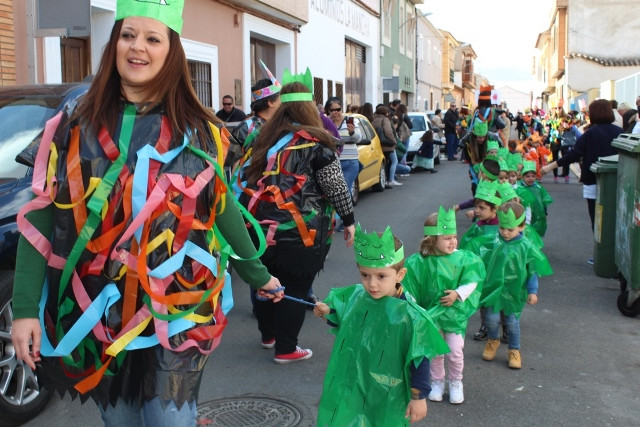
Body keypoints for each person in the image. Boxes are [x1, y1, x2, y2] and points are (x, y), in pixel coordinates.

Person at [11, 2, 284, 425]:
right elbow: (42, 217)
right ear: (114, 43)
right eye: (127, 35)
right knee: (120, 421)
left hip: (176, 311)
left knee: (168, 419)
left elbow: (221, 208)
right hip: (98, 313)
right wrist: (26, 308)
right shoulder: (74, 121)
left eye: (152, 38)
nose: (137, 48)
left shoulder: (199, 128)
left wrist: (258, 274)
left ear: (170, 50)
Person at [239, 70, 356, 364]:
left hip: (259, 230)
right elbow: (336, 187)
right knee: (295, 287)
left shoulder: (260, 141)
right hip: (302, 234)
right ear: (308, 108)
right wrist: (349, 220)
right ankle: (286, 348)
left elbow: (245, 181)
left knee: (265, 282)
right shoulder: (318, 144)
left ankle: (268, 336)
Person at [313, 225, 448, 425]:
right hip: (356, 381)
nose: (372, 284)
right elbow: (348, 321)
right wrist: (329, 314)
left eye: (381, 276)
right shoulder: (359, 296)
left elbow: (419, 358)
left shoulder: (411, 316)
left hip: (389, 388)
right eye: (365, 275)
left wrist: (418, 397)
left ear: (400, 275)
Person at [403, 207, 485, 405]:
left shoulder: (463, 258)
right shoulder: (419, 262)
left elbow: (473, 280)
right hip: (431, 316)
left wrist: (458, 293)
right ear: (432, 240)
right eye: (447, 238)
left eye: (454, 237)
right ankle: (437, 381)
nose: (453, 242)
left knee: (455, 351)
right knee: (436, 352)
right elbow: (409, 286)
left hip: (453, 315)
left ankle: (456, 382)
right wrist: (416, 308)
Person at [477, 202, 553, 369]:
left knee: (512, 322)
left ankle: (514, 350)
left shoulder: (526, 246)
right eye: (502, 227)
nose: (505, 232)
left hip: (514, 292)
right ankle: (493, 340)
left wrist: (533, 291)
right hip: (493, 291)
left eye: (510, 229)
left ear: (521, 227)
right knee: (490, 319)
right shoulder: (494, 241)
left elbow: (532, 270)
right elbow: (483, 261)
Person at [541, 99, 622, 234]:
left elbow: (573, 155)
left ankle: (599, 252)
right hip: (615, 182)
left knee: (597, 220)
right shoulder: (620, 132)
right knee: (613, 219)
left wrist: (550, 166)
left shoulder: (589, 134)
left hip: (592, 181)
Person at [227, 60, 281, 170]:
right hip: (248, 185)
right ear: (270, 102)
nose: (283, 102)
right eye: (280, 98)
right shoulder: (245, 129)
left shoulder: (282, 126)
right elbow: (233, 163)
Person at [325, 97, 362, 197]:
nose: (335, 112)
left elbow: (359, 139)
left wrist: (352, 132)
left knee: (344, 191)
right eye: (332, 110)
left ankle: (345, 212)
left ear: (342, 109)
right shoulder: (325, 122)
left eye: (338, 109)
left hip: (350, 162)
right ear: (328, 110)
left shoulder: (351, 121)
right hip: (332, 163)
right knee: (334, 193)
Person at [460, 121, 502, 194]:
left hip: (488, 164)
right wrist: (474, 164)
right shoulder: (469, 138)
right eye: (479, 137)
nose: (482, 139)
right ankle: (478, 201)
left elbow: (500, 146)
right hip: (474, 164)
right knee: (475, 185)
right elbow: (464, 148)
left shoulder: (491, 137)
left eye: (483, 137)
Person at [372, 104, 401, 187]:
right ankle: (391, 179)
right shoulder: (385, 120)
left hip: (378, 144)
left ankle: (384, 181)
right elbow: (388, 132)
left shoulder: (373, 119)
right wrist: (394, 141)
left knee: (383, 164)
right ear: (385, 113)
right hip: (387, 144)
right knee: (394, 161)